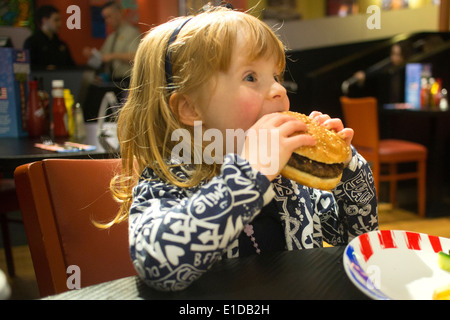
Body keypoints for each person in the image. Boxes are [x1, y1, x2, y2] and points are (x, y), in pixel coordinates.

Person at [108, 6, 378, 292]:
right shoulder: (169, 179)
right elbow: (158, 266)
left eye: (275, 76)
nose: (279, 90)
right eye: (251, 77)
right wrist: (249, 177)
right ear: (191, 108)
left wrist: (346, 167)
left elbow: (356, 241)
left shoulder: (291, 183)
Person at [83, 1, 140, 84]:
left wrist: (112, 56)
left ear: (119, 13)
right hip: (112, 81)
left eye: (109, 16)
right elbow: (102, 57)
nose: (107, 20)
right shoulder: (111, 37)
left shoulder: (132, 32)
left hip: (128, 81)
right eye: (105, 18)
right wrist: (92, 54)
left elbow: (136, 56)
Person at [345, 41, 413, 104]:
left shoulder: (409, 71)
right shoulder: (385, 71)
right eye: (393, 53)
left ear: (404, 56)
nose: (393, 57)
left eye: (398, 54)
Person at [23, 5, 75, 69]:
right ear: (44, 20)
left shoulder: (61, 44)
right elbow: (27, 66)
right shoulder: (32, 42)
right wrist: (45, 68)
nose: (60, 24)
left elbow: (71, 67)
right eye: (56, 20)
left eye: (60, 20)